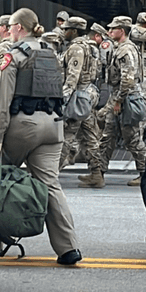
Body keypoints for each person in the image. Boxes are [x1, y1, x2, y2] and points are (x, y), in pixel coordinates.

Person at [0, 8, 82, 264]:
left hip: (23, 125)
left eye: (10, 26)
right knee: (50, 185)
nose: (8, 30)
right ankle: (68, 248)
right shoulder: (50, 52)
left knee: (0, 179)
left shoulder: (13, 56)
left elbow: (3, 101)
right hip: (53, 126)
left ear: (19, 27)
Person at [95, 16, 146, 186]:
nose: (109, 32)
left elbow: (128, 79)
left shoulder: (126, 50)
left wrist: (118, 101)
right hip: (118, 97)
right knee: (107, 136)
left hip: (126, 99)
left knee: (132, 139)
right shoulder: (120, 48)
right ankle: (98, 174)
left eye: (113, 29)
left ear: (122, 31)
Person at [61, 17, 103, 179]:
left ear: (74, 31)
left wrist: (63, 99)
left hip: (78, 96)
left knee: (67, 134)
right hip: (88, 95)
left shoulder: (77, 48)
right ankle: (96, 173)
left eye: (67, 29)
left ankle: (48, 174)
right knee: (90, 135)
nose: (64, 32)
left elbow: (73, 76)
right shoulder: (90, 47)